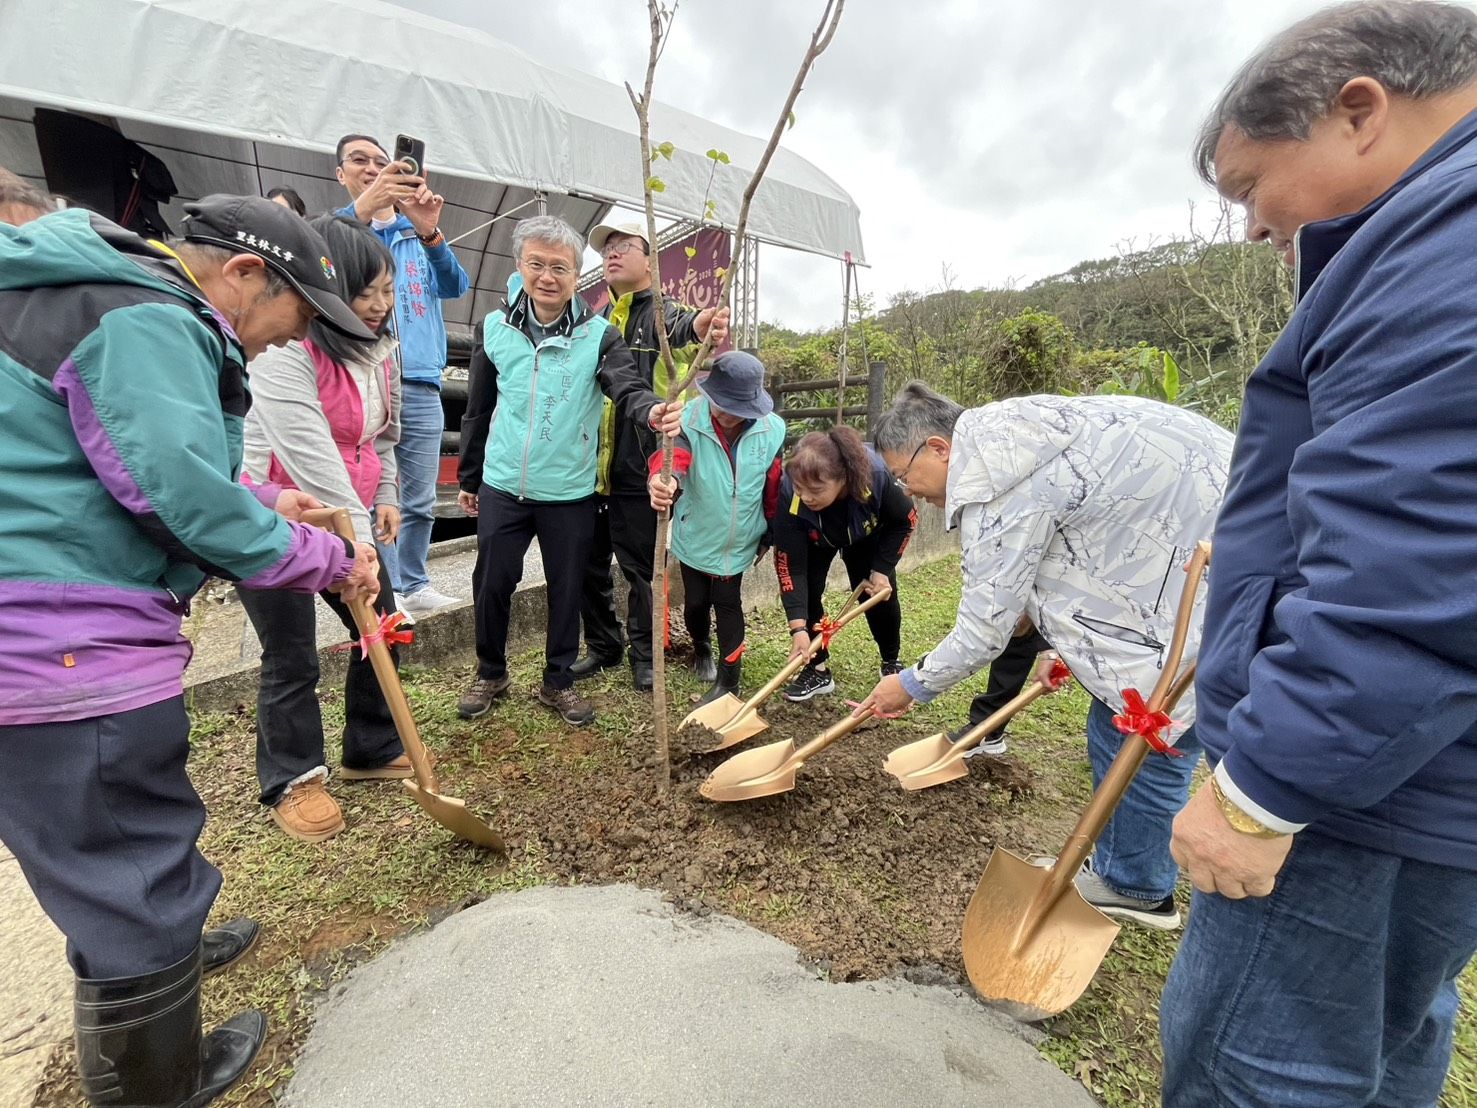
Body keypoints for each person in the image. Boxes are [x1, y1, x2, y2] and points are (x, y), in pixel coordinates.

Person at [0, 195, 380, 1107]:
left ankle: (161, 951)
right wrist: (325, 555)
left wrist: (264, 500)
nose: (285, 345)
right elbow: (183, 500)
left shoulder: (95, 296)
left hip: (52, 625)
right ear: (244, 274)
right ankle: (157, 1082)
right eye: (292, 321)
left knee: (114, 847)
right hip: (61, 645)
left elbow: (124, 454)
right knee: (124, 857)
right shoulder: (143, 315)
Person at [1162, 4, 1477, 1102]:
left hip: (1356, 794)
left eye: (1250, 188)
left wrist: (1261, 789)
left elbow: (1418, 558)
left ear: (1357, 112)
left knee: (1259, 1072)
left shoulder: (1444, 250)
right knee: (1386, 1052)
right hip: (1429, 783)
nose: (1252, 228)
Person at [857, 383, 1231, 929]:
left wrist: (911, 684)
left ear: (938, 448)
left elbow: (984, 628)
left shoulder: (995, 479)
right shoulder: (1026, 430)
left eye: (903, 474)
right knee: (1171, 723)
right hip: (1227, 558)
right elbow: (1079, 538)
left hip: (1189, 593)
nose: (908, 490)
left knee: (1135, 729)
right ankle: (1147, 869)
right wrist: (1059, 637)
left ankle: (1137, 887)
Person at [455, 216, 682, 726]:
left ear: (579, 274)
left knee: (567, 586)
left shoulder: (598, 335)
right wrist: (470, 479)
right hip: (503, 484)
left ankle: (557, 680)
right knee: (492, 581)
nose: (548, 276)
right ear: (520, 267)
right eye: (537, 264)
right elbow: (477, 408)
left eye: (561, 267)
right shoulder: (493, 328)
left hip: (569, 490)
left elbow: (624, 384)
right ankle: (490, 671)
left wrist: (649, 409)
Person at [240, 215, 409, 843]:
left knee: (381, 624)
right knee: (290, 652)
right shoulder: (286, 345)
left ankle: (370, 747)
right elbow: (312, 455)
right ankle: (293, 777)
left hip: (353, 514)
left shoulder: (378, 351)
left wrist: (385, 495)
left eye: (386, 291)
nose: (377, 306)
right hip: (279, 515)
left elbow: (381, 435)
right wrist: (355, 544)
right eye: (364, 294)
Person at [573, 221, 730, 690]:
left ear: (651, 261)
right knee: (586, 563)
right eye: (607, 249)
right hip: (589, 467)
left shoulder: (662, 314)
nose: (612, 255)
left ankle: (645, 655)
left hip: (640, 465)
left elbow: (686, 328)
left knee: (641, 569)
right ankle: (604, 646)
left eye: (624, 246)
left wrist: (700, 325)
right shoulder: (597, 319)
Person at [335, 132, 470, 617]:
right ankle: (386, 587)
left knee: (419, 494)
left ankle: (413, 581)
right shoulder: (343, 232)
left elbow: (456, 284)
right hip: (362, 378)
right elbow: (320, 263)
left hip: (421, 382)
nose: (372, 168)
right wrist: (365, 211)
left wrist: (430, 230)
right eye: (359, 160)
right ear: (341, 173)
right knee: (371, 490)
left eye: (381, 161)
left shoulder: (416, 232)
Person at [647, 351, 785, 705]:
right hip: (697, 532)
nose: (724, 413)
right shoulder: (688, 418)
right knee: (695, 603)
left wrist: (770, 531)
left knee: (727, 603)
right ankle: (701, 647)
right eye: (719, 403)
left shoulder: (772, 430)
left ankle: (729, 682)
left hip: (740, 538)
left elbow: (772, 484)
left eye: (736, 407)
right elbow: (673, 456)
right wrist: (667, 482)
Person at [772, 425, 915, 701]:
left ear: (844, 479)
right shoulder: (792, 492)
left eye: (815, 489)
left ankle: (891, 661)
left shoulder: (874, 476)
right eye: (800, 488)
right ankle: (818, 669)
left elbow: (904, 521)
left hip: (865, 533)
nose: (805, 496)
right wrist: (798, 629)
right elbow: (790, 565)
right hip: (814, 536)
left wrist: (882, 569)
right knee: (809, 592)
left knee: (879, 598)